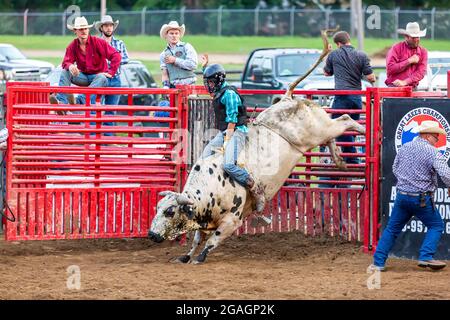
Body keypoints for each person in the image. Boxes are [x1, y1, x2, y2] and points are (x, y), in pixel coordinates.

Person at [369, 121, 448, 272]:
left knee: (391, 229)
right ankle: (426, 256)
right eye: (435, 136)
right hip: (422, 198)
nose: (437, 139)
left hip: (402, 196)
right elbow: (445, 173)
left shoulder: (404, 148)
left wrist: (407, 181)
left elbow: (395, 168)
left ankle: (378, 263)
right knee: (436, 225)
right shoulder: (432, 152)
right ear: (426, 135)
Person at [201, 63, 270, 227]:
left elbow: (232, 119)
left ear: (218, 80)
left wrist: (226, 140)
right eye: (207, 82)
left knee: (228, 164)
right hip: (225, 131)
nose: (208, 85)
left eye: (210, 82)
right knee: (205, 156)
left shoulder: (229, 94)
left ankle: (254, 188)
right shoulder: (220, 93)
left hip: (237, 131)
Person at [323, 30, 376, 166]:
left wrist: (327, 54)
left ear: (338, 44)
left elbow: (326, 73)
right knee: (351, 129)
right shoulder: (361, 55)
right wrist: (373, 80)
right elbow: (370, 77)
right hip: (357, 98)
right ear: (348, 40)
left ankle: (352, 159)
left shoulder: (334, 54)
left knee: (338, 126)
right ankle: (350, 158)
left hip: (342, 97)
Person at [50, 16, 121, 106]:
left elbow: (116, 55)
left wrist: (111, 72)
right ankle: (62, 103)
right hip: (83, 77)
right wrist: (71, 66)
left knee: (102, 78)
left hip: (98, 78)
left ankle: (78, 100)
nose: (84, 31)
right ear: (75, 31)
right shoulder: (73, 45)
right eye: (80, 29)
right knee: (65, 71)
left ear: (88, 30)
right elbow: (65, 62)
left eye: (85, 28)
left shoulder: (98, 42)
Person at [94, 15, 129, 106]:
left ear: (113, 27)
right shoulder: (96, 43)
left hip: (115, 79)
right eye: (106, 26)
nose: (109, 28)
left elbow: (126, 59)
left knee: (111, 110)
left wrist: (112, 61)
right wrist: (114, 59)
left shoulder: (119, 43)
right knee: (95, 108)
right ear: (101, 28)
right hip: (100, 79)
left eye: (111, 26)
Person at [385, 22, 428, 89]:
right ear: (406, 37)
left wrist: (405, 82)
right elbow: (390, 69)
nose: (416, 39)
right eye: (413, 37)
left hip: (412, 88)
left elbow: (420, 72)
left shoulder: (423, 52)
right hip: (394, 88)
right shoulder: (396, 48)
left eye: (418, 37)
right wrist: (409, 61)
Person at [159, 21, 198, 89]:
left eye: (176, 33)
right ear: (166, 35)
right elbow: (165, 74)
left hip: (189, 86)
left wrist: (175, 60)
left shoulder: (187, 47)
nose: (174, 36)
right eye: (171, 33)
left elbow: (193, 65)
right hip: (174, 87)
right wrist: (166, 86)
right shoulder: (163, 54)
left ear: (179, 35)